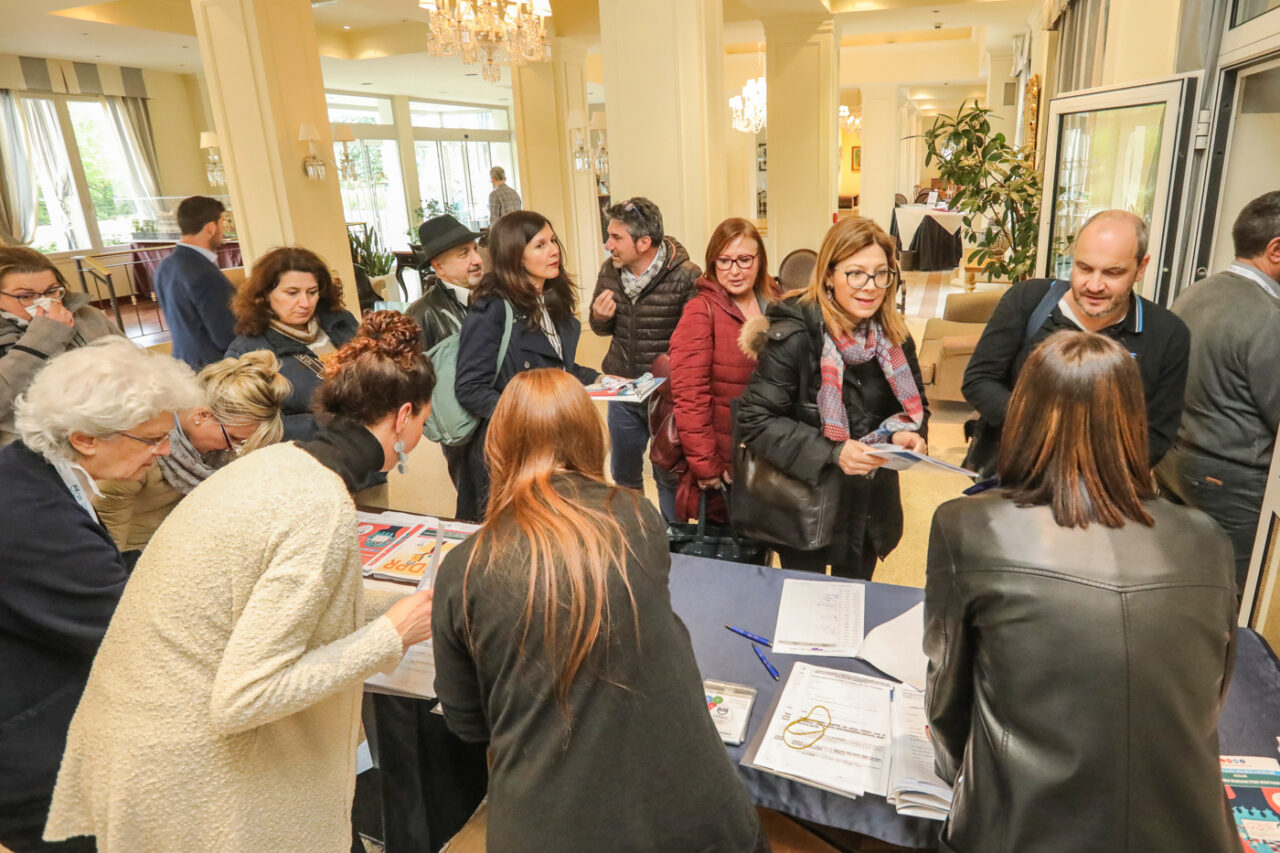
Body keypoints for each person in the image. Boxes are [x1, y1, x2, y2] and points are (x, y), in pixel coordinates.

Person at [44, 312, 438, 853]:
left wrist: (391, 609)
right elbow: (248, 695)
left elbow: (271, 605)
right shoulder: (316, 501)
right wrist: (390, 634)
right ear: (404, 416)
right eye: (424, 422)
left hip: (139, 751)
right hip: (187, 773)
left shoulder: (277, 464)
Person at [925, 331, 1238, 853]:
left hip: (1019, 830)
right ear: (1134, 420)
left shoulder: (968, 526)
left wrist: (959, 779)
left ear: (1023, 413)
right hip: (1191, 830)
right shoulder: (1208, 538)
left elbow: (949, 706)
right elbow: (1209, 699)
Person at [432, 368, 767, 853]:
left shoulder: (464, 569)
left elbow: (467, 724)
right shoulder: (637, 516)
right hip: (705, 823)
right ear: (593, 437)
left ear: (499, 447)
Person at [0, 338, 201, 853]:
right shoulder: (30, 515)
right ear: (86, 438)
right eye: (151, 439)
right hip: (34, 752)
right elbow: (126, 637)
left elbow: (100, 574)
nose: (163, 452)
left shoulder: (31, 470)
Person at [736, 217, 929, 580]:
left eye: (880, 274)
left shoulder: (896, 339)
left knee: (854, 606)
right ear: (828, 275)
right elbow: (756, 419)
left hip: (868, 509)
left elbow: (916, 410)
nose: (870, 287)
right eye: (856, 273)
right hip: (806, 509)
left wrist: (909, 436)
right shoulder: (794, 336)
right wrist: (833, 452)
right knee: (805, 608)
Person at [962, 209, 1190, 473]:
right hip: (1008, 478)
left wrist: (1090, 464)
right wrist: (1043, 428)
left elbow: (1157, 435)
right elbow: (979, 380)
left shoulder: (1168, 334)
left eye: (1112, 273)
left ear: (1141, 268)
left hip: (1101, 492)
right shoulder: (1028, 301)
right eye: (1083, 268)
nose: (1094, 285)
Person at [1156, 191, 1280, 594]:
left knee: (1185, 578)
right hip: (1233, 483)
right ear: (1276, 250)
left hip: (1176, 463)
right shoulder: (1268, 317)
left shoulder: (1195, 292)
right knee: (1236, 595)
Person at [454, 210, 600, 520]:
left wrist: (602, 380)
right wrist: (527, 411)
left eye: (553, 240)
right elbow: (470, 389)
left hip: (555, 440)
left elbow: (557, 368)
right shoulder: (492, 308)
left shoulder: (552, 300)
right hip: (512, 446)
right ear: (515, 255)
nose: (553, 250)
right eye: (540, 245)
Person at [93, 351, 291, 551]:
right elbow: (106, 547)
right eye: (232, 438)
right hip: (140, 557)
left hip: (188, 547)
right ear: (203, 415)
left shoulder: (213, 452)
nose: (233, 449)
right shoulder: (136, 456)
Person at [589, 197, 699, 517]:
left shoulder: (686, 276)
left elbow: (694, 343)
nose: (608, 244)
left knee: (667, 473)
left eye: (616, 237)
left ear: (644, 242)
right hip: (622, 389)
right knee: (623, 475)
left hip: (664, 393)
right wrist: (598, 317)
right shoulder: (610, 271)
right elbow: (600, 328)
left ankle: (670, 541)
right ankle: (634, 536)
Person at [668, 217, 779, 522]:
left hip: (770, 456)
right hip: (727, 462)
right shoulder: (700, 311)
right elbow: (689, 396)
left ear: (759, 260)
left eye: (744, 260)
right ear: (713, 263)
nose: (734, 270)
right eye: (725, 261)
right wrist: (706, 465)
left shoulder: (775, 302)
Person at [225, 246, 359, 441]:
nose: (305, 303)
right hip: (310, 455)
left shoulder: (342, 322)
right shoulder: (247, 351)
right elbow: (248, 425)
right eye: (292, 293)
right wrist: (331, 423)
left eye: (312, 292)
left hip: (369, 451)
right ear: (265, 295)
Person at [0, 247, 121, 446]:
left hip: (111, 434)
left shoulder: (88, 316)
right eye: (26, 296)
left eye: (51, 291)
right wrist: (42, 339)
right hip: (35, 450)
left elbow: (135, 363)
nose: (44, 302)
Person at [153, 195, 237, 370]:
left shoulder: (165, 266)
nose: (224, 230)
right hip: (213, 369)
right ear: (211, 228)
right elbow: (225, 337)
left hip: (182, 363)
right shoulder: (205, 274)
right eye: (222, 223)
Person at [405, 214, 484, 352]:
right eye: (464, 254)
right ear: (439, 267)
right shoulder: (421, 315)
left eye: (476, 250)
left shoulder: (497, 297)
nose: (477, 260)